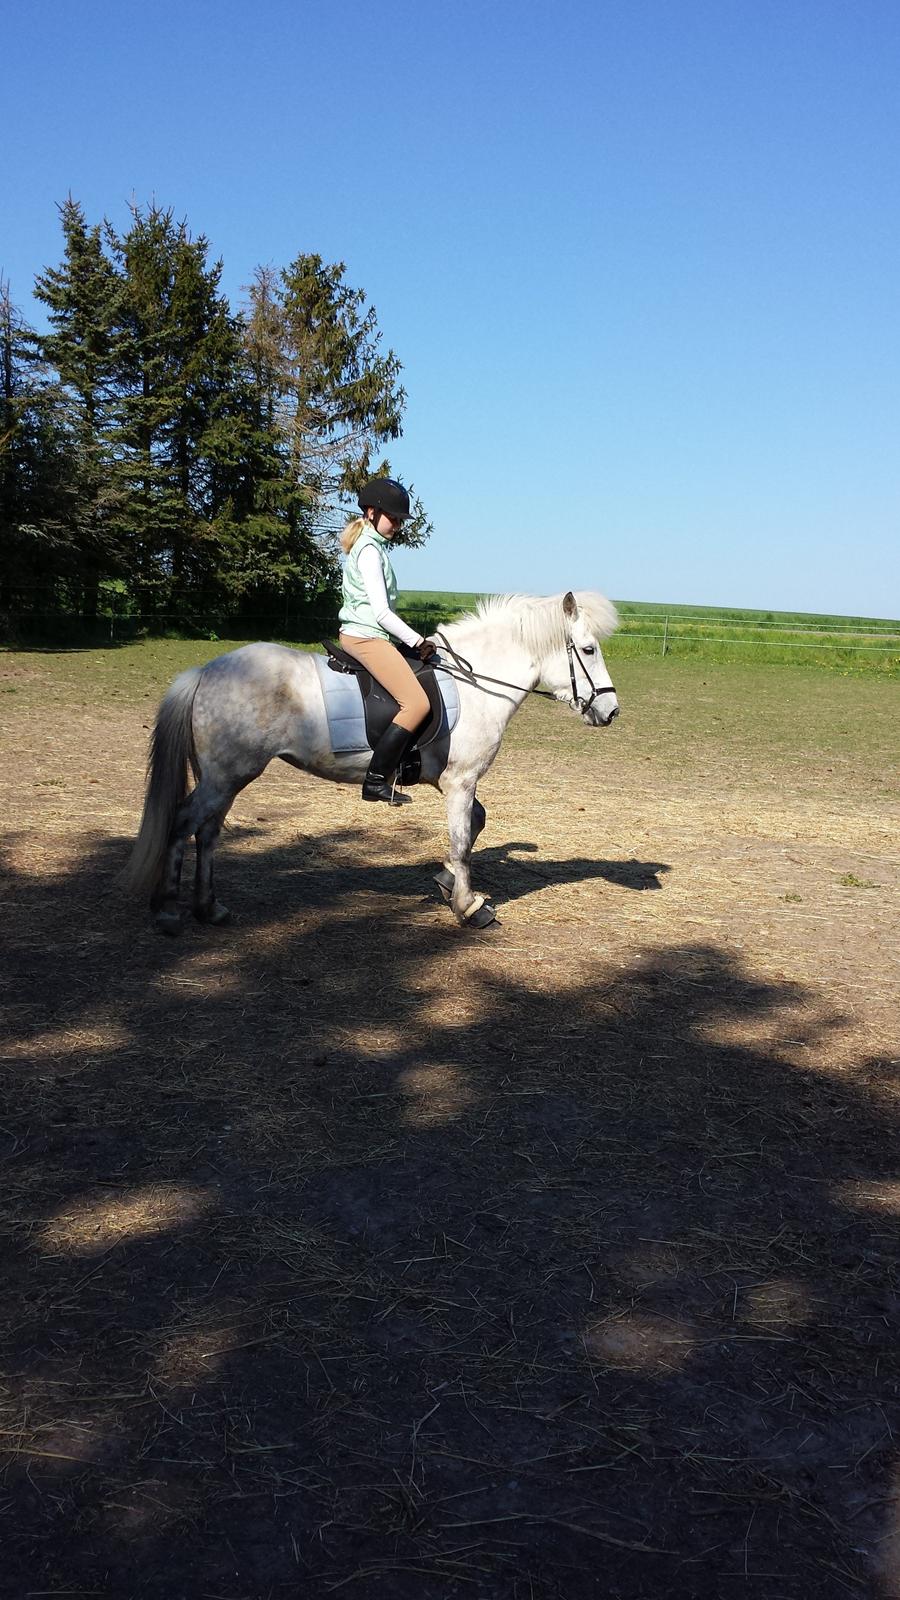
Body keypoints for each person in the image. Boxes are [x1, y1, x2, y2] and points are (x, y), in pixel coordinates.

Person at [338, 478, 438, 803]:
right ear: (371, 512)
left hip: (369, 634)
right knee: (417, 703)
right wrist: (418, 640)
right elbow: (381, 612)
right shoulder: (369, 551)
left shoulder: (373, 546)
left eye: (398, 520)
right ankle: (376, 780)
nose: (396, 524)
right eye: (392, 518)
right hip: (366, 637)